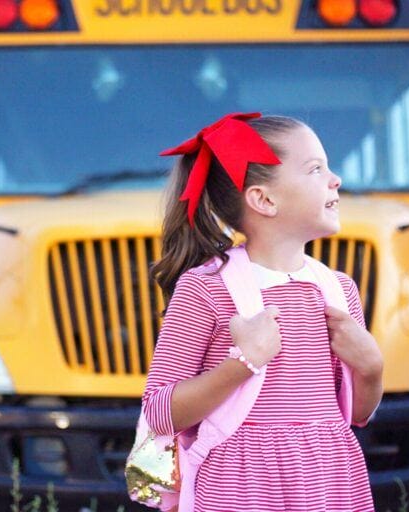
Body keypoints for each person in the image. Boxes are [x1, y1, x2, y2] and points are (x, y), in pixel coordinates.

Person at [143, 112, 383, 511]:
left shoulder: (340, 291)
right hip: (242, 490)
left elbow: (356, 414)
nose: (335, 178)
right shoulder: (205, 289)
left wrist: (372, 367)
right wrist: (243, 363)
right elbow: (158, 413)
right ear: (264, 199)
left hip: (328, 484)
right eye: (315, 169)